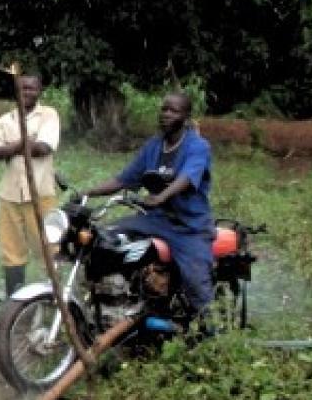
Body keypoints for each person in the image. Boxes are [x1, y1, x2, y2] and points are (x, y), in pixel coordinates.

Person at [84, 92, 215, 313]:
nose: (166, 114)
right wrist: (88, 192)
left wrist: (161, 197)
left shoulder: (198, 146)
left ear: (186, 115)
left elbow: (186, 178)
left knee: (197, 287)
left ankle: (212, 334)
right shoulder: (154, 146)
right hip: (156, 219)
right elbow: (124, 179)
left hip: (189, 226)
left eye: (173, 111)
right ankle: (115, 299)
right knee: (105, 238)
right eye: (164, 109)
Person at [0, 74, 61, 297]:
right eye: (23, 88)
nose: (27, 92)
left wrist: (9, 149)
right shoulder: (5, 120)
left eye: (32, 88)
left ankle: (52, 297)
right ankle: (15, 301)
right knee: (11, 251)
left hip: (39, 194)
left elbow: (43, 148)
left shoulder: (48, 115)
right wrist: (22, 144)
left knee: (47, 248)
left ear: (39, 91)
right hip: (9, 195)